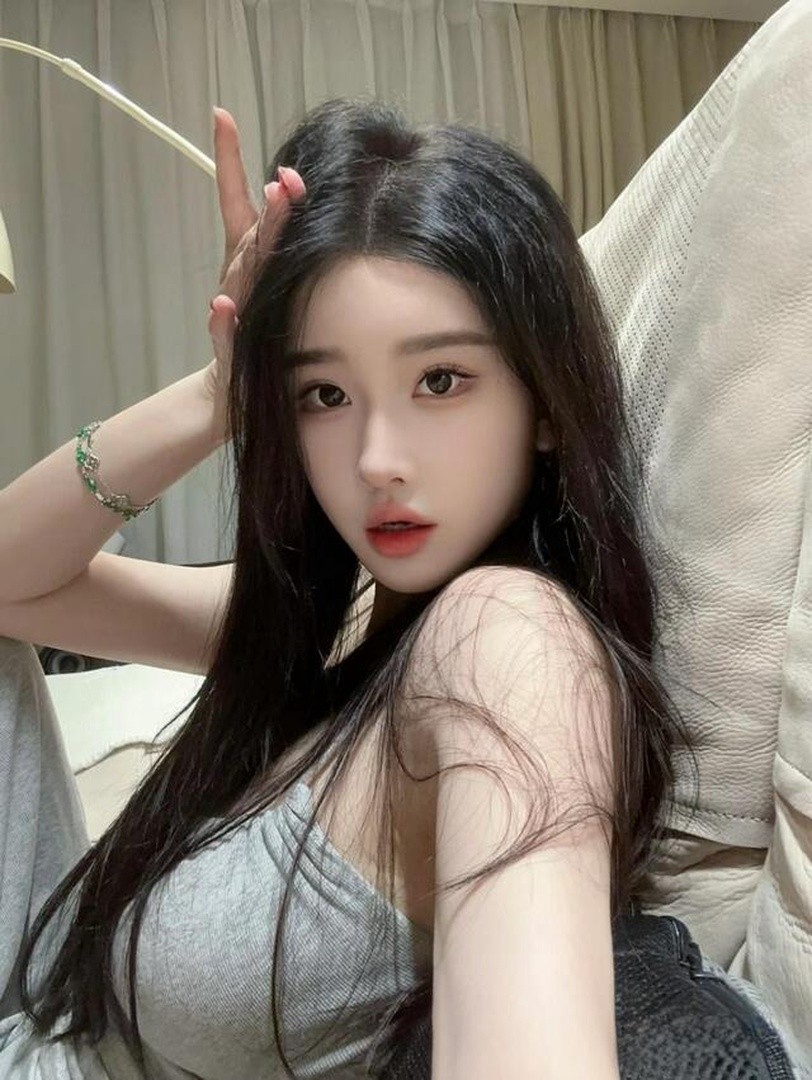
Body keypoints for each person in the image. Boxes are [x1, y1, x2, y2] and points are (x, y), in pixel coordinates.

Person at [0, 98, 798, 1079]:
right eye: (324, 394)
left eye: (440, 381)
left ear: (545, 403)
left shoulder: (507, 640)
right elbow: (10, 584)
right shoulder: (334, 628)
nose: (377, 459)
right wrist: (220, 394)